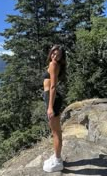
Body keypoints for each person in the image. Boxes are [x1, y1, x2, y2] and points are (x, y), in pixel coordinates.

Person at [42, 44, 66, 172]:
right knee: (55, 131)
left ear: (61, 57)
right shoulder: (54, 64)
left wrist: (50, 107)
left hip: (53, 99)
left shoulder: (53, 65)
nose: (55, 56)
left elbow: (53, 87)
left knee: (56, 132)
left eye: (58, 55)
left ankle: (57, 161)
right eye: (53, 53)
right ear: (50, 52)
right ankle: (57, 156)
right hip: (51, 98)